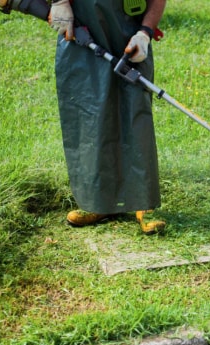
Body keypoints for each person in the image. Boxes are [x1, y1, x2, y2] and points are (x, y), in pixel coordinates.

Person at [49, 0, 167, 234]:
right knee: (88, 115)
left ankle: (143, 204)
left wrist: (144, 33)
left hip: (128, 35)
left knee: (135, 112)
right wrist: (59, 2)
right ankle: (97, 202)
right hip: (81, 32)